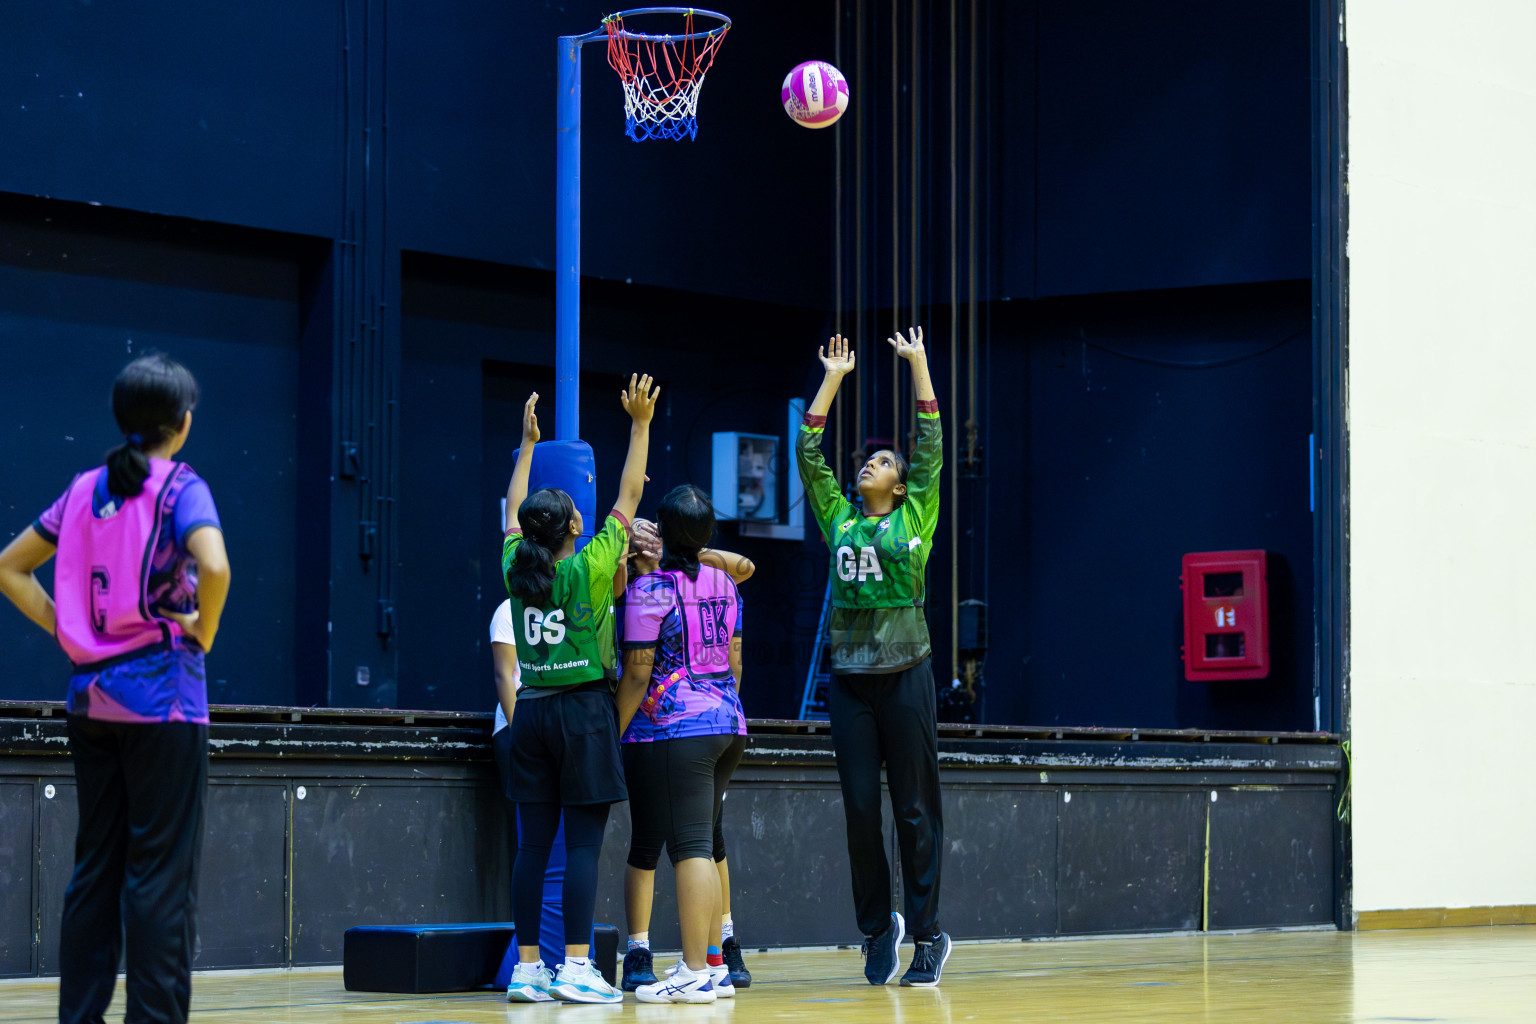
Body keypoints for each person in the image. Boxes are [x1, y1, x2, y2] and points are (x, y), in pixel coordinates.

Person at [0, 353, 231, 1024]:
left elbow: (11, 569)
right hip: (164, 701)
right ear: (181, 423)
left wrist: (69, 630)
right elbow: (213, 565)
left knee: (95, 869)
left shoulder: (81, 489)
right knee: (159, 880)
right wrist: (204, 630)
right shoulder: (181, 486)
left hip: (90, 702)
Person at [794, 328, 952, 987]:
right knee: (862, 811)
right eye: (869, 462)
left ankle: (927, 935)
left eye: (883, 462)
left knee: (914, 811)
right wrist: (833, 377)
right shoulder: (841, 521)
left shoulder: (916, 513)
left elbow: (931, 442)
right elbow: (809, 452)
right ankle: (875, 930)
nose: (871, 465)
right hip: (852, 684)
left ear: (899, 480)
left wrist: (917, 365)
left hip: (907, 674)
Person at [501, 375, 657, 1004]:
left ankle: (529, 969)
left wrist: (527, 446)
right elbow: (629, 490)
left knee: (532, 847)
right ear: (572, 523)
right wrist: (641, 424)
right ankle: (575, 966)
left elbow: (512, 512)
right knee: (584, 843)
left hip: (531, 712)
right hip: (583, 712)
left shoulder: (518, 566)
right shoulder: (592, 564)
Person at [612, 486, 748, 1003]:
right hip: (727, 722)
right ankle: (712, 966)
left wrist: (613, 730)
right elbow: (735, 661)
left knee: (690, 847)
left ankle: (692, 972)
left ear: (662, 533)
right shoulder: (725, 582)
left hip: (677, 729)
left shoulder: (651, 590)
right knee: (705, 844)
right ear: (710, 535)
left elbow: (635, 675)